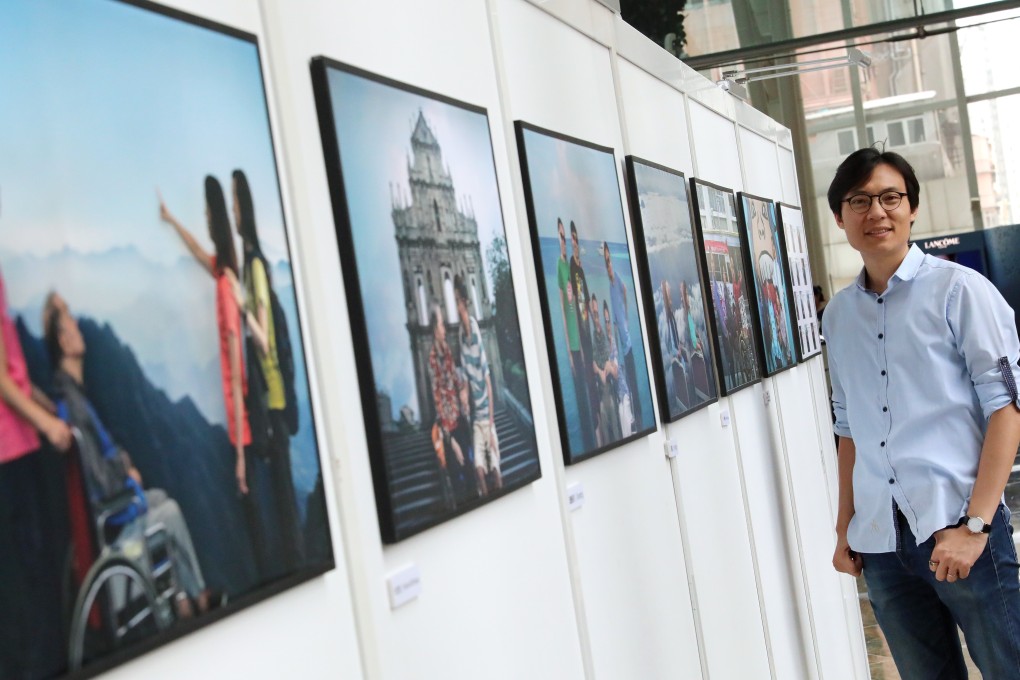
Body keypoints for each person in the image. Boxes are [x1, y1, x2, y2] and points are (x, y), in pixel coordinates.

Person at [825, 147, 1020, 679]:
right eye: (859, 201)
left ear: (912, 209)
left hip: (959, 525)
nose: (877, 212)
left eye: (891, 197)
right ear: (840, 218)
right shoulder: (838, 315)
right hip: (882, 544)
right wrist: (845, 526)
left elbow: (1007, 409)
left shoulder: (960, 291)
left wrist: (976, 526)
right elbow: (848, 428)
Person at [43, 295, 219, 618]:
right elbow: (99, 480)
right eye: (71, 326)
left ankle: (183, 598)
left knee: (159, 498)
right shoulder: (74, 405)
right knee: (169, 511)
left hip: (112, 514)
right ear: (64, 342)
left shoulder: (72, 397)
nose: (79, 328)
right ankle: (196, 598)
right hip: (114, 526)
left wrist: (122, 466)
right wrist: (126, 472)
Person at [159, 177, 266, 578]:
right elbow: (199, 252)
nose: (203, 220)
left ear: (216, 218)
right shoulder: (226, 273)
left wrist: (239, 452)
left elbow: (238, 368)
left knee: (252, 517)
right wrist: (171, 220)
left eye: (206, 214)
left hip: (246, 430)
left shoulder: (226, 286)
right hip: (243, 426)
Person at [0, 266, 72, 679]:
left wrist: (42, 403)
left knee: (37, 585)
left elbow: (14, 376)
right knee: (25, 600)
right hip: (9, 457)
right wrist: (47, 425)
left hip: (20, 446)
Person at [232, 169, 304, 573]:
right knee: (280, 495)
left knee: (283, 497)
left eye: (234, 203)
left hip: (273, 399)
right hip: (271, 400)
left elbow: (262, 338)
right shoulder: (252, 266)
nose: (231, 211)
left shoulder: (255, 268)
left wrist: (241, 301)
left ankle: (296, 568)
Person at [454, 274, 501, 496]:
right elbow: (464, 377)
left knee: (495, 473)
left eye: (458, 302)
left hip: (486, 419)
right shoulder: (460, 335)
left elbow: (488, 383)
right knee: (480, 473)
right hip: (476, 421)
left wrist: (491, 427)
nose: (456, 308)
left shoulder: (473, 327)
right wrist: (463, 395)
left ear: (465, 301)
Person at [427, 305, 469, 507]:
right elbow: (438, 402)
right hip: (449, 431)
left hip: (460, 421)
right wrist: (451, 442)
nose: (444, 328)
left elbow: (455, 378)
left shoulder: (447, 350)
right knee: (458, 479)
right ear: (435, 328)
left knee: (469, 470)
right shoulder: (433, 359)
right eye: (442, 324)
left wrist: (463, 392)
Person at [603, 241, 641, 428]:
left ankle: (637, 416)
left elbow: (625, 290)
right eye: (606, 262)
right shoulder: (610, 286)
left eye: (609, 261)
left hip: (628, 344)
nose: (608, 265)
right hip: (622, 344)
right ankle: (634, 416)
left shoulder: (616, 278)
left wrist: (624, 316)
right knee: (627, 383)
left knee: (631, 382)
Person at [567, 221, 595, 451]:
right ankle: (590, 425)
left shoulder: (581, 267)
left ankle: (594, 420)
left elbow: (584, 298)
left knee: (591, 377)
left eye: (577, 239)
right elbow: (574, 301)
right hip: (581, 332)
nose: (575, 243)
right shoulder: (572, 267)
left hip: (587, 331)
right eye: (572, 240)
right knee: (586, 379)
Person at [590, 294, 620, 446]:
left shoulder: (613, 341)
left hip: (614, 395)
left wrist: (606, 368)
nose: (605, 324)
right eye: (596, 316)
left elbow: (614, 372)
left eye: (607, 320)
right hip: (602, 395)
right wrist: (602, 369)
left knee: (615, 428)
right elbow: (596, 365)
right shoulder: (596, 338)